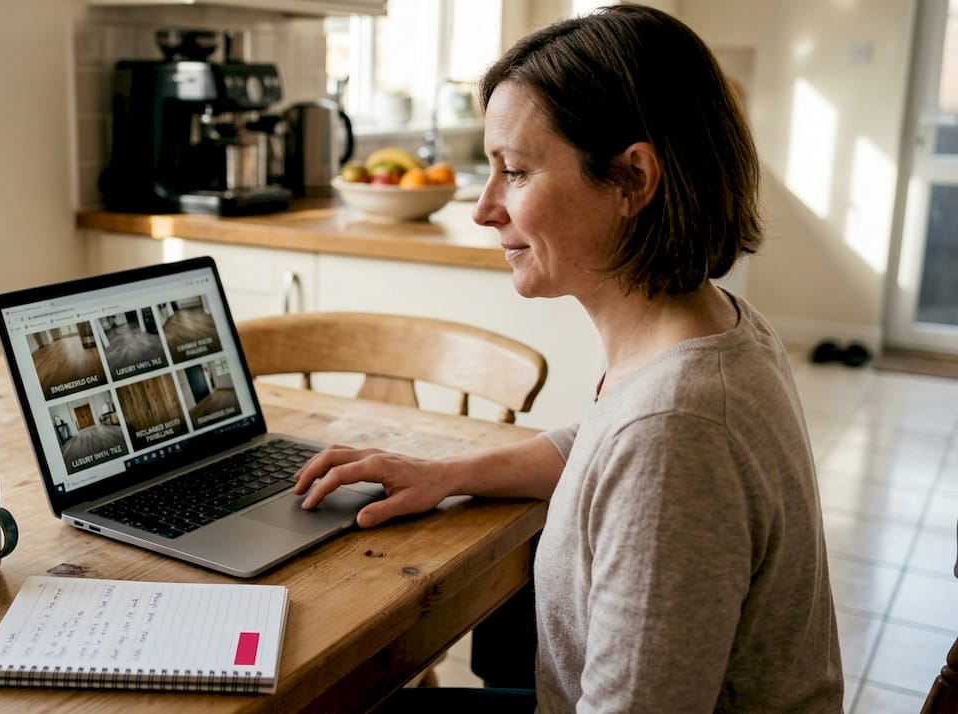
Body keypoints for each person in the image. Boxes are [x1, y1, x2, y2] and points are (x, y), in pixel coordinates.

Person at [293, 5, 844, 712]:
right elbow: (604, 442)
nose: (485, 209)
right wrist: (444, 475)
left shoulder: (677, 430)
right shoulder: (713, 329)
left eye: (515, 172)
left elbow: (644, 448)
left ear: (631, 181)